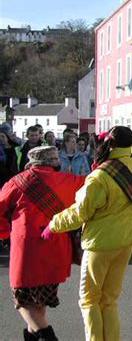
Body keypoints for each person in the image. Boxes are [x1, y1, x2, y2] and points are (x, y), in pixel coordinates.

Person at [42, 126, 132, 341]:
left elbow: (80, 212)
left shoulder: (100, 176)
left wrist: (53, 224)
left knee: (89, 300)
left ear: (108, 144)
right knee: (109, 300)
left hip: (100, 244)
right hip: (127, 241)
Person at [0, 146, 85, 340]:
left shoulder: (17, 182)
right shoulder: (69, 180)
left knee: (23, 300)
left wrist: (5, 233)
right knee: (39, 300)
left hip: (27, 251)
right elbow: (92, 186)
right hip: (56, 249)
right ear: (54, 161)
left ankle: (48, 336)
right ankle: (33, 336)